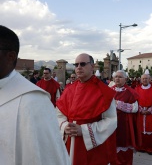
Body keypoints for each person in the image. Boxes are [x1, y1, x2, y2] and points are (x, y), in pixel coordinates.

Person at [0, 25, 70, 165]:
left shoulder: (34, 101)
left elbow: (48, 157)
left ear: (10, 56)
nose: (45, 75)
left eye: (46, 73)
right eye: (43, 73)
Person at [56, 53, 117, 165]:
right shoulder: (69, 89)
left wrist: (84, 130)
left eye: (83, 64)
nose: (79, 67)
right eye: (76, 64)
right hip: (70, 142)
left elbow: (111, 121)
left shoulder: (104, 91)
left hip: (92, 147)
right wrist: (65, 126)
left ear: (92, 67)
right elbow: (59, 114)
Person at [110, 70, 141, 165]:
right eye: (116, 77)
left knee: (124, 150)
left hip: (125, 124)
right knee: (112, 148)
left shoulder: (131, 92)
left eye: (120, 77)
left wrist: (118, 104)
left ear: (125, 79)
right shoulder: (109, 90)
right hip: (111, 124)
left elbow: (135, 108)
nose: (117, 79)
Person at [135, 73, 152, 154]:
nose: (144, 80)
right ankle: (141, 147)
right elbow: (135, 100)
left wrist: (150, 110)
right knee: (140, 130)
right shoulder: (137, 88)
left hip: (151, 113)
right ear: (141, 79)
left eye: (146, 78)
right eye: (143, 78)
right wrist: (140, 109)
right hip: (140, 112)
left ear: (150, 79)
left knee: (151, 130)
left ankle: (151, 148)